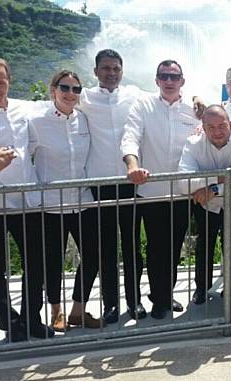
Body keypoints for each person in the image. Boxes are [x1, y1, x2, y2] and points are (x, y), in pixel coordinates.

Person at [0, 56, 51, 341]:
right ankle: (10, 323)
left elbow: (59, 100)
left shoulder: (23, 108)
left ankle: (31, 320)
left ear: (10, 79)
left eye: (0, 82)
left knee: (36, 262)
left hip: (25, 201)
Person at [121, 59, 199, 319]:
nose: (168, 81)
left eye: (174, 77)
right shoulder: (143, 105)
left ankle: (164, 294)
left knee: (174, 248)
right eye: (163, 76)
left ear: (182, 82)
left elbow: (214, 126)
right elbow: (130, 136)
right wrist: (132, 164)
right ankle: (159, 300)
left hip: (181, 192)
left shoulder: (193, 110)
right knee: (156, 247)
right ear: (156, 80)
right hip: (151, 192)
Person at [29, 70, 105, 331]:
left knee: (94, 256)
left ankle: (77, 310)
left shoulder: (84, 120)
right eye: (65, 88)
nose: (70, 93)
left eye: (76, 89)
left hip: (82, 200)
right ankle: (56, 312)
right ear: (53, 90)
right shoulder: (37, 122)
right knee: (53, 261)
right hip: (50, 204)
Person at [81, 49, 146, 322]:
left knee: (132, 246)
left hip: (130, 181)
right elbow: (40, 105)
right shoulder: (83, 97)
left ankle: (135, 301)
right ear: (95, 71)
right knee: (106, 248)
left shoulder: (134, 95)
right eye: (106, 68)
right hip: (100, 183)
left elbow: (167, 99)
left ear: (122, 70)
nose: (111, 73)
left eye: (116, 68)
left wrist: (196, 98)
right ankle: (110, 306)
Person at [177, 105, 231, 307]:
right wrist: (224, 176)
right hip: (207, 205)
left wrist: (213, 188)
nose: (217, 132)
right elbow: (183, 183)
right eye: (211, 127)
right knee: (205, 245)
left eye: (222, 126)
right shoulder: (194, 143)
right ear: (203, 128)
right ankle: (201, 287)